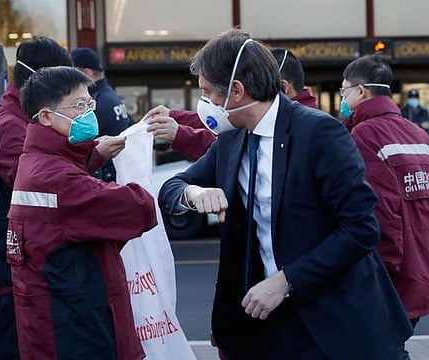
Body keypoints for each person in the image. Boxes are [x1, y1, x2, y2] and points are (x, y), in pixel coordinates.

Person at [158, 28, 412, 360]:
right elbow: (170, 188)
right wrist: (193, 193)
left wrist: (285, 281)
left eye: (208, 93)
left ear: (236, 91)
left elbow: (360, 230)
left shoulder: (320, 133)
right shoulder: (232, 141)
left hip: (335, 320)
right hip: (268, 324)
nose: (206, 104)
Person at [7, 66, 157, 359]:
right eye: (79, 105)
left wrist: (92, 155)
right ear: (46, 116)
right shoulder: (59, 180)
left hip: (56, 331)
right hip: (81, 336)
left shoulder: (35, 163)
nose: (89, 113)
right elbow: (140, 209)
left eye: (90, 104)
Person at [0, 36, 75, 359]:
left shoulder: (13, 118)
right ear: (41, 80)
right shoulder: (15, 128)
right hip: (8, 282)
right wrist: (91, 157)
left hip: (9, 276)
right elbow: (39, 187)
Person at [340, 54, 429, 358]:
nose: (343, 99)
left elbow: (378, 213)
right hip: (420, 268)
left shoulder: (365, 135)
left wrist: (378, 277)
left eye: (344, 91)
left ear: (360, 91)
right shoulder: (418, 134)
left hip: (390, 278)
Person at [145, 47, 316, 161]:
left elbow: (230, 153)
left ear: (284, 87)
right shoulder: (252, 123)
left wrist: (181, 134)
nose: (240, 92)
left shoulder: (310, 132)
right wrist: (175, 117)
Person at [70, 47, 133, 181]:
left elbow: (74, 143)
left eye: (71, 73)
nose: (68, 79)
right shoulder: (110, 96)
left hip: (104, 176)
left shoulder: (96, 103)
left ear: (86, 73)